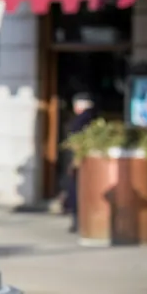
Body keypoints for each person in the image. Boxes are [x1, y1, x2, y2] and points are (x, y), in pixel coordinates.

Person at [64, 92, 98, 234]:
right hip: (91, 162)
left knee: (77, 190)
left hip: (81, 160)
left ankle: (77, 221)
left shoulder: (81, 120)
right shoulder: (96, 118)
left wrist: (74, 161)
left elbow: (76, 142)